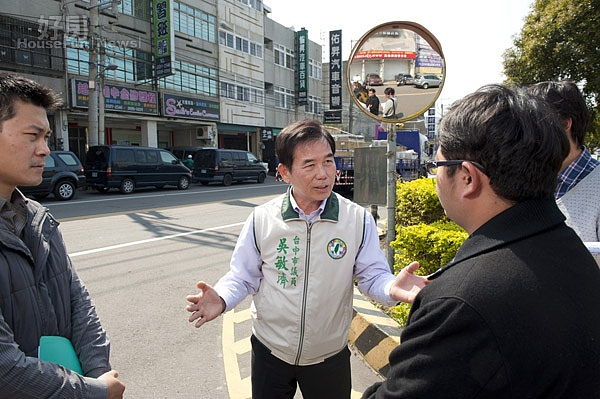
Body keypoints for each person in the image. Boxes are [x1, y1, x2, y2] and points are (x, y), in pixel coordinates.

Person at [363, 84, 600, 398]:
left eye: (437, 167)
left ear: (467, 178)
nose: (434, 179)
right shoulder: (577, 255)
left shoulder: (459, 303)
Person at [186, 118, 429, 399]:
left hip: (329, 356)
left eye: (328, 162)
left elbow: (372, 276)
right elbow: (242, 276)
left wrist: (390, 288)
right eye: (309, 165)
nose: (324, 174)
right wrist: (224, 298)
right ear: (284, 172)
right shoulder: (263, 219)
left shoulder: (357, 220)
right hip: (270, 352)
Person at [0, 73, 125, 398]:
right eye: (32, 136)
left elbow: (77, 300)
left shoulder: (39, 218)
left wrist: (98, 372)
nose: (45, 151)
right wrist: (94, 392)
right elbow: (5, 368)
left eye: (47, 138)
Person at [525, 80, 600, 243]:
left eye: (534, 125)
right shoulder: (524, 185)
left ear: (565, 123)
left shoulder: (596, 187)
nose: (526, 136)